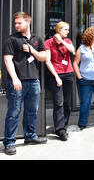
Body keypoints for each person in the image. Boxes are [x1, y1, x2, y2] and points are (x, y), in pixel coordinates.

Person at [2, 12, 48, 155]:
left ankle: (30, 136)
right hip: (17, 83)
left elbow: (43, 57)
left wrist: (32, 50)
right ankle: (9, 142)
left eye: (19, 23)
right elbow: (7, 60)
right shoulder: (11, 39)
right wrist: (15, 79)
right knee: (13, 113)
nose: (16, 25)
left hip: (34, 81)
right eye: (15, 23)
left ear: (28, 22)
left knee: (32, 111)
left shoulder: (37, 39)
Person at [44, 21, 76, 141]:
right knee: (59, 103)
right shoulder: (48, 43)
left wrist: (62, 41)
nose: (68, 32)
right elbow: (48, 61)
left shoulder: (67, 41)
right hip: (55, 75)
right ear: (59, 30)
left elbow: (72, 50)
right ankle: (60, 130)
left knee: (67, 102)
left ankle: (63, 124)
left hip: (68, 73)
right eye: (66, 30)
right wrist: (57, 77)